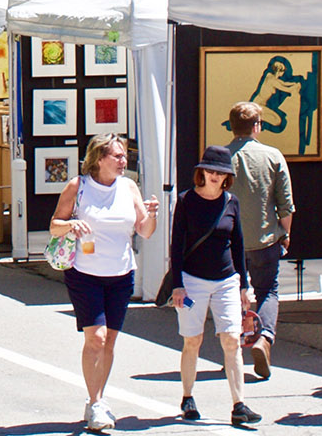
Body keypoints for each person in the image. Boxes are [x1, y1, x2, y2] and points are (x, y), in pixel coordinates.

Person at [49, 133, 159, 433]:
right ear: (99, 159)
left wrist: (151, 215)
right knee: (95, 338)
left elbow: (145, 231)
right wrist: (72, 224)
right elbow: (54, 226)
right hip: (85, 273)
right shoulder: (79, 186)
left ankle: (95, 398)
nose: (124, 161)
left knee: (109, 340)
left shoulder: (128, 187)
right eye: (117, 156)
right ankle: (97, 402)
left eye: (124, 156)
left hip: (121, 273)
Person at [167, 145, 261, 426]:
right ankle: (187, 397)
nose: (214, 176)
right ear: (201, 172)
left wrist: (244, 285)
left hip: (226, 281)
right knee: (192, 341)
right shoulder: (186, 201)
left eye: (220, 173)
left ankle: (239, 405)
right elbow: (177, 245)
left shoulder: (231, 202)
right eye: (209, 171)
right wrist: (177, 285)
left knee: (232, 340)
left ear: (227, 177)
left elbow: (239, 244)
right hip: (193, 281)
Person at [224, 101, 294, 379]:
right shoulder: (273, 155)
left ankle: (232, 350)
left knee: (229, 295)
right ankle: (264, 337)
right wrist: (286, 233)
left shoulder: (219, 157)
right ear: (257, 126)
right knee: (268, 290)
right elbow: (286, 204)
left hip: (228, 242)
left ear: (231, 126)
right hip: (265, 238)